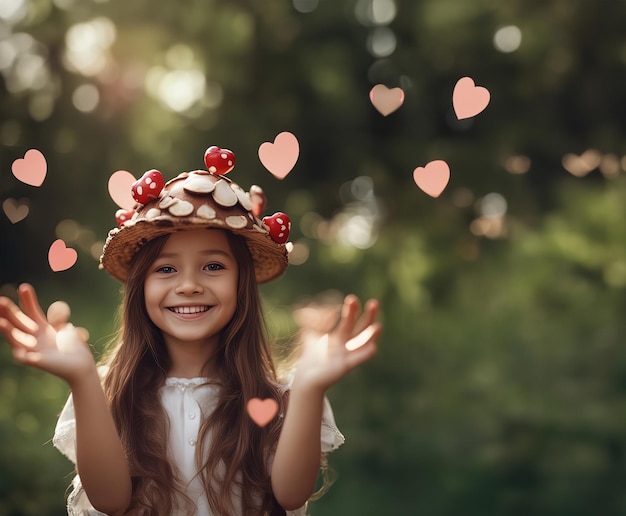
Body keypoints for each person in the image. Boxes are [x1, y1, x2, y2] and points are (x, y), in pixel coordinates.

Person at [0, 146, 381, 515]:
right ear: (139, 289)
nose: (189, 285)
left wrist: (311, 387)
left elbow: (289, 493)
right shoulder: (108, 394)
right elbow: (110, 501)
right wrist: (81, 378)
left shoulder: (281, 399)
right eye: (166, 269)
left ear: (241, 285)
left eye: (213, 267)